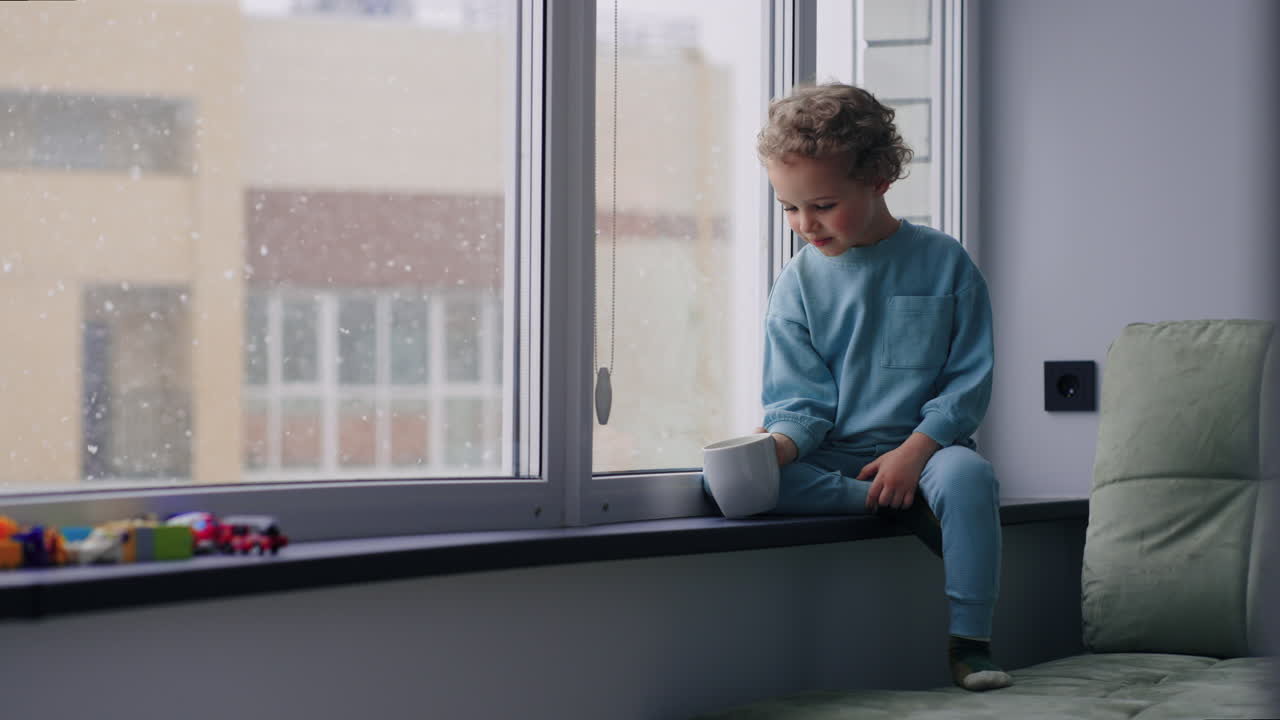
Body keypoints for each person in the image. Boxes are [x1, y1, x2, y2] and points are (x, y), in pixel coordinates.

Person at [753, 82, 1008, 691]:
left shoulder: (946, 263)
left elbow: (968, 382)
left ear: (879, 180)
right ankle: (890, 506)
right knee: (726, 481)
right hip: (837, 461)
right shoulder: (796, 284)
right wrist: (777, 448)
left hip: (928, 453)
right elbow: (800, 404)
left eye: (821, 204)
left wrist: (915, 452)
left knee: (972, 478)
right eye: (788, 208)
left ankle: (970, 645)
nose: (803, 224)